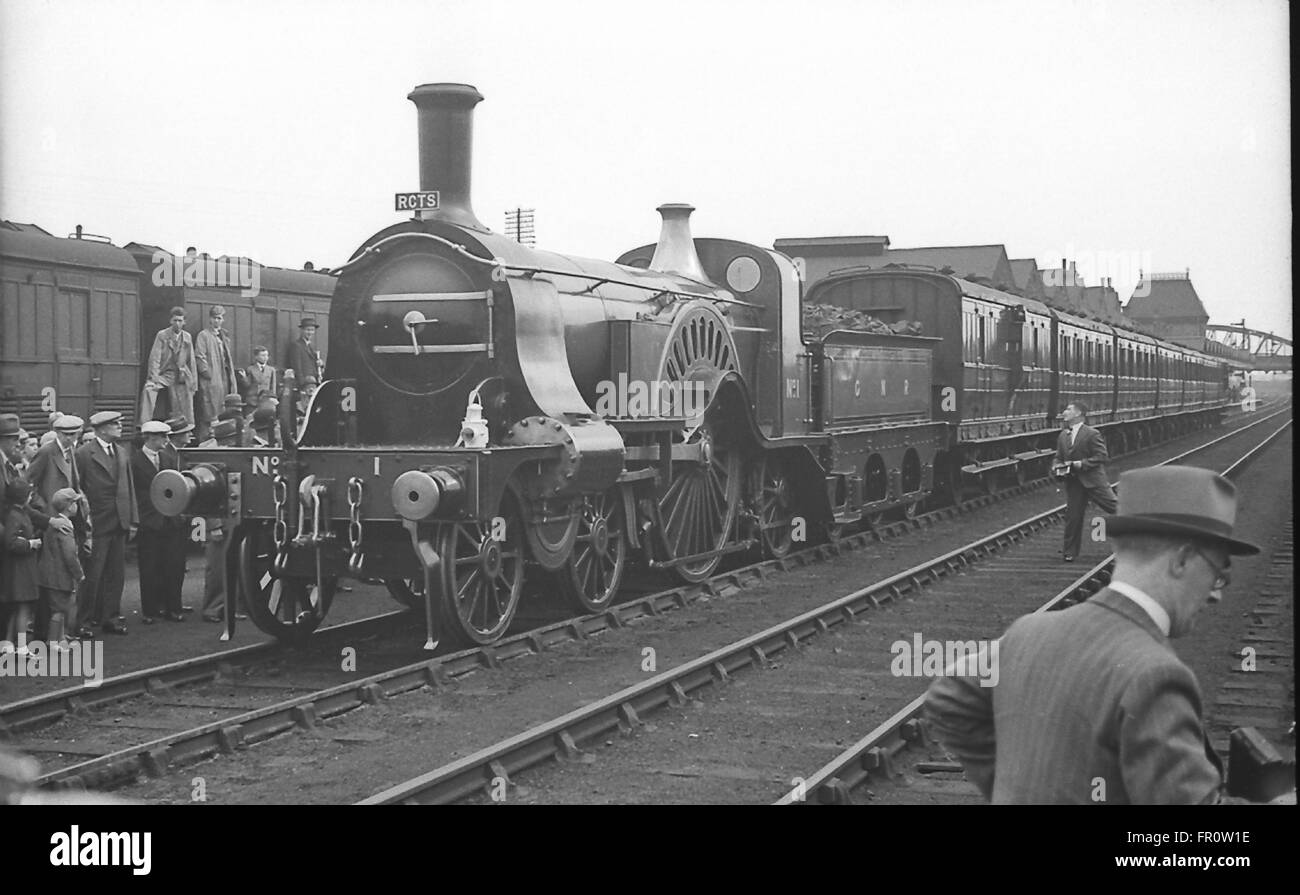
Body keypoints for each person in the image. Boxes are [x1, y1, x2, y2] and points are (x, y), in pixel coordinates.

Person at [925, 465, 1260, 804]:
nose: (1216, 594)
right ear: (1183, 559)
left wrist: (1012, 788)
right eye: (1218, 572)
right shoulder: (1156, 675)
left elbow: (949, 695)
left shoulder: (1029, 630)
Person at [73, 411, 138, 636]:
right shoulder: (83, 454)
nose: (120, 427)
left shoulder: (121, 452)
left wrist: (133, 519)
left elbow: (129, 487)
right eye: (115, 424)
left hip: (119, 521)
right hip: (97, 524)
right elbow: (77, 488)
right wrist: (83, 522)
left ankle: (111, 617)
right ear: (101, 429)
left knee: (115, 576)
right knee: (92, 576)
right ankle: (83, 620)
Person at [132, 421, 185, 624]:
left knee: (174, 565)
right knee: (149, 567)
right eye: (163, 437)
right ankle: (150, 610)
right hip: (149, 521)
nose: (166, 440)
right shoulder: (134, 462)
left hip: (171, 520)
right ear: (151, 438)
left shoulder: (169, 458)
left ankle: (173, 607)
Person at [1053, 402, 1117, 562]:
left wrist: (1081, 464)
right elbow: (1058, 456)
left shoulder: (1091, 433)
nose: (1064, 412)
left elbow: (1102, 456)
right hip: (1074, 482)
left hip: (1094, 481)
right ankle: (1069, 552)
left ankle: (1146, 532)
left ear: (1078, 413)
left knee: (1115, 507)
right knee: (1073, 517)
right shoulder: (1063, 435)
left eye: (1068, 409)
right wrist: (1056, 466)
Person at [199, 420, 245, 622]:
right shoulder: (212, 460)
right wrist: (214, 525)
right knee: (217, 569)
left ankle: (230, 607)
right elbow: (207, 497)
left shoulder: (234, 456)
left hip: (235, 520)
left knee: (234, 566)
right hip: (220, 522)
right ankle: (212, 608)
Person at [38, 488, 83, 649]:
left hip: (49, 574)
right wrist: (79, 574)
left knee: (61, 608)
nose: (77, 505)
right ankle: (53, 641)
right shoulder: (65, 527)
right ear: (69, 506)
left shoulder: (53, 522)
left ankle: (61, 638)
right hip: (59, 576)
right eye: (75, 502)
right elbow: (70, 554)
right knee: (58, 610)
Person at [140, 306, 197, 425]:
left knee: (188, 396)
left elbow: (191, 361)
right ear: (170, 321)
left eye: (180, 321)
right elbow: (155, 358)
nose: (177, 323)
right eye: (175, 320)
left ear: (184, 322)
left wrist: (193, 382)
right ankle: (145, 424)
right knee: (149, 389)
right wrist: (154, 378)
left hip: (182, 374)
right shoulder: (162, 335)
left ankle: (187, 427)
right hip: (166, 373)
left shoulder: (187, 337)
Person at [1, 481, 40, 653]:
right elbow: (10, 542)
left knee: (16, 608)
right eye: (29, 494)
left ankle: (8, 645)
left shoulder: (14, 513)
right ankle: (22, 648)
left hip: (18, 569)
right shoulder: (16, 516)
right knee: (23, 607)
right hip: (21, 569)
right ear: (23, 498)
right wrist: (31, 543)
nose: (31, 497)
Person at [194, 305, 238, 442]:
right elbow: (199, 356)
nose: (218, 321)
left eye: (220, 318)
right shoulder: (204, 335)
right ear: (210, 319)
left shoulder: (224, 336)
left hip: (224, 377)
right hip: (211, 380)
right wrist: (207, 373)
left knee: (223, 410)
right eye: (215, 318)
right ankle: (205, 442)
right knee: (209, 412)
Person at [287, 317, 324, 390]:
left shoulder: (312, 346)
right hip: (305, 383)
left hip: (315, 382)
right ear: (302, 330)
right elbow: (297, 366)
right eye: (308, 330)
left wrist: (321, 364)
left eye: (312, 330)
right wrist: (302, 383)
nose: (310, 333)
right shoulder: (296, 345)